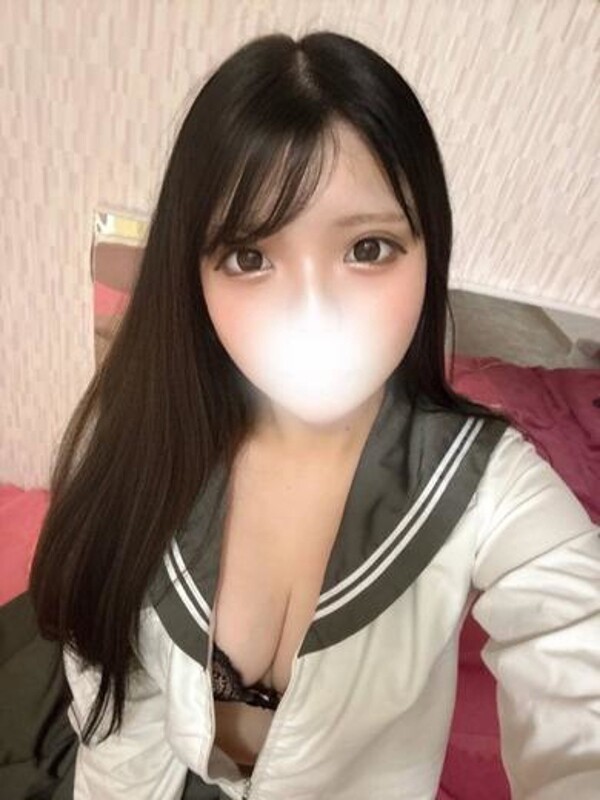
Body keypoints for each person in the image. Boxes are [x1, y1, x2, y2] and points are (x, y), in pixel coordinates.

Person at [23, 29, 600, 800]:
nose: (313, 309)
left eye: (368, 248)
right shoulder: (143, 441)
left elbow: (579, 669)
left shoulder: (486, 484)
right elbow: (117, 729)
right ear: (193, 275)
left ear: (429, 253)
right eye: (250, 257)